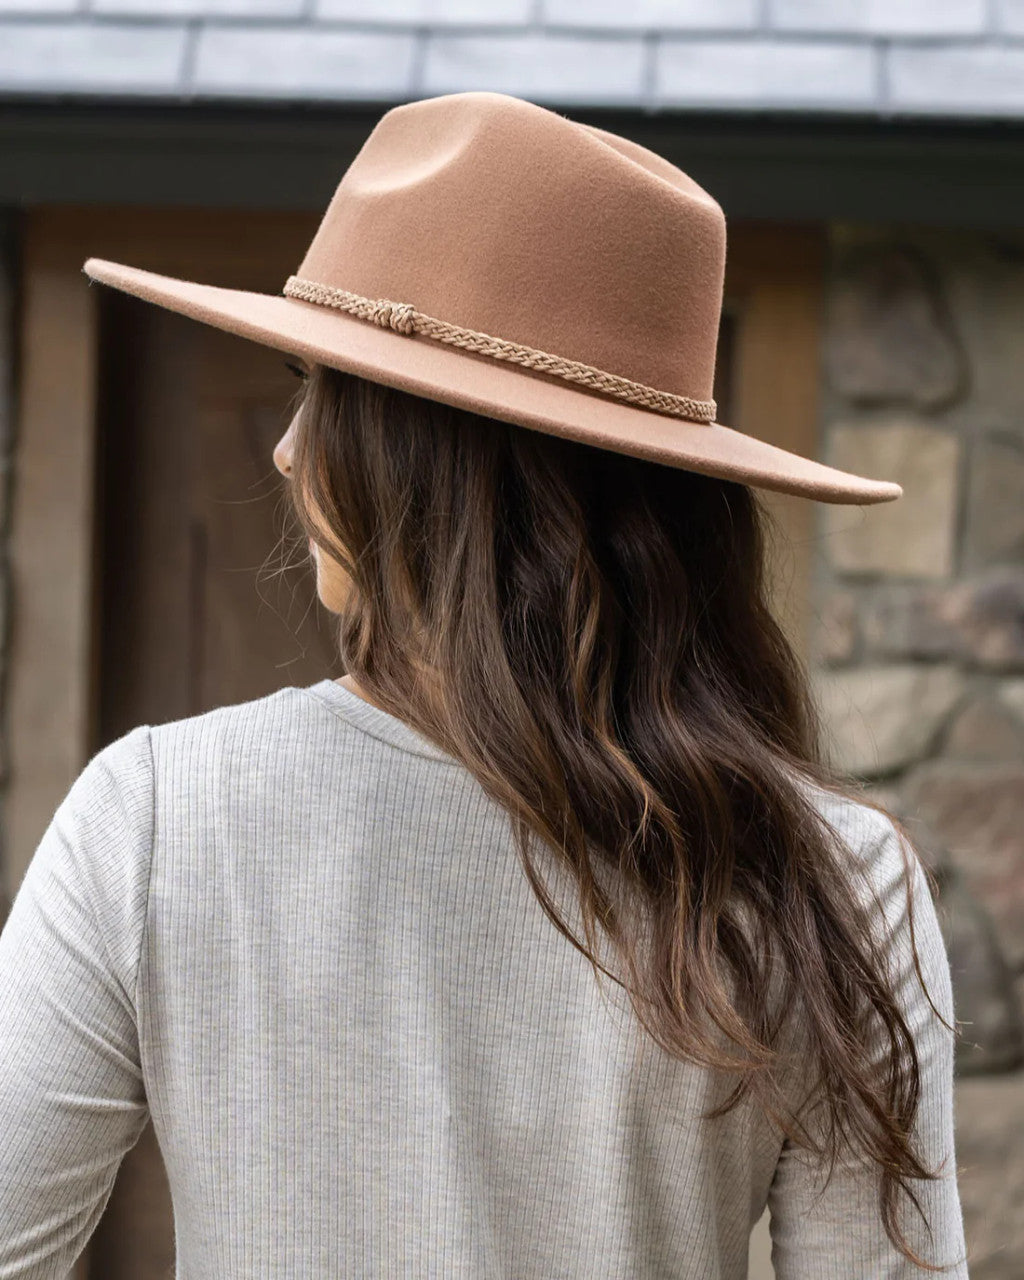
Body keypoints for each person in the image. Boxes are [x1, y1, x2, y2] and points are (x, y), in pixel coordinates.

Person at [0, 91, 967, 1278]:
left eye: (325, 391)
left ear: (430, 461)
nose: (288, 448)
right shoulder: (833, 872)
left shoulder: (154, 813)